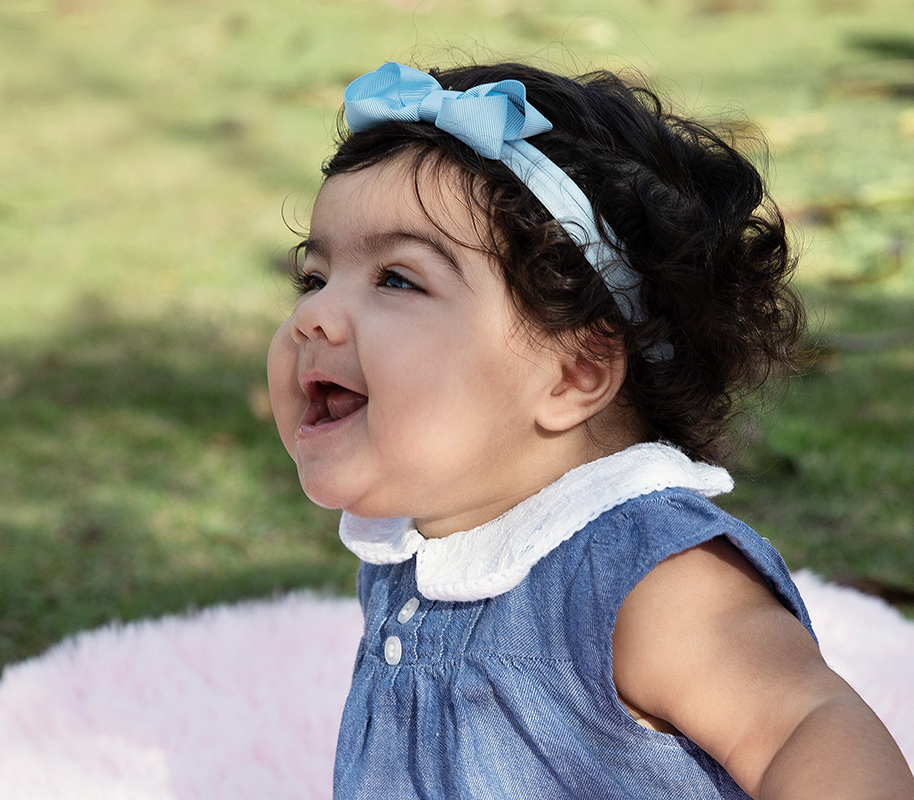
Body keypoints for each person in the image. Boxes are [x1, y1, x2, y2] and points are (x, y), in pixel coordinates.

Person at [265, 60, 914, 799]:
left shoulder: (647, 579)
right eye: (314, 278)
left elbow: (811, 725)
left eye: (398, 279)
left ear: (573, 375)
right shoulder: (416, 560)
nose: (311, 316)